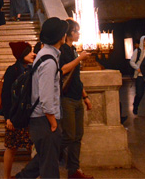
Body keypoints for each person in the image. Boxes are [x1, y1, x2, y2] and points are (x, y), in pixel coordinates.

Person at [15, 17, 68, 179]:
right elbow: (46, 96)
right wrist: (52, 122)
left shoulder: (46, 55)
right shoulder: (49, 61)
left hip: (41, 119)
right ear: (60, 37)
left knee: (44, 158)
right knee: (50, 169)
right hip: (44, 120)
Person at [59, 19, 93, 179]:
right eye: (76, 31)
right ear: (69, 33)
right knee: (69, 136)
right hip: (66, 99)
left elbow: (76, 78)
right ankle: (46, 156)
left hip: (77, 98)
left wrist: (85, 97)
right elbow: (64, 71)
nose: (78, 34)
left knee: (78, 136)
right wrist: (80, 59)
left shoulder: (73, 50)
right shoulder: (63, 50)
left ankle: (74, 170)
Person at [1, 42, 36, 179]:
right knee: (11, 148)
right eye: (29, 52)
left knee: (32, 148)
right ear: (21, 55)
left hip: (29, 115)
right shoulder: (12, 70)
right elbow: (6, 95)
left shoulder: (32, 69)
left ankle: (29, 175)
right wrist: (8, 118)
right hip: (15, 117)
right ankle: (6, 177)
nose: (33, 54)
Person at [130, 36, 145, 115]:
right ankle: (135, 105)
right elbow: (132, 61)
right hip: (140, 75)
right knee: (139, 94)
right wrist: (137, 68)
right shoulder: (138, 51)